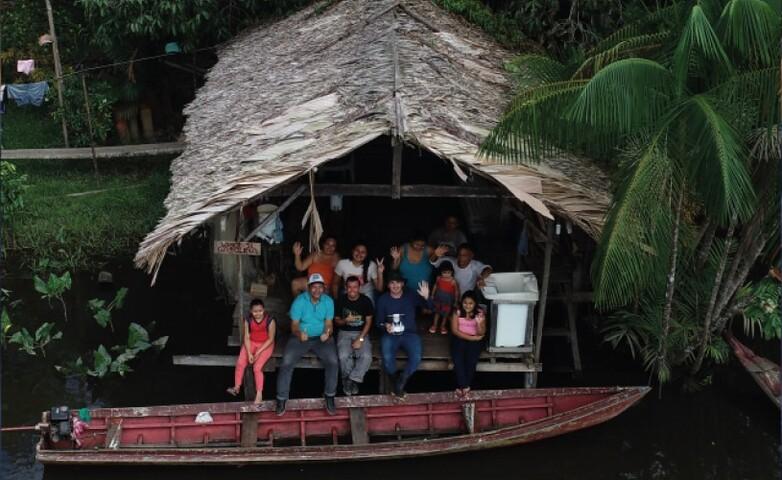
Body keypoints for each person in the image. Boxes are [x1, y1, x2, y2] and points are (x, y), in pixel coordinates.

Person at [276, 273, 338, 416]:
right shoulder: (299, 301)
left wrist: (327, 333)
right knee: (286, 362)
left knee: (333, 362)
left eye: (320, 287)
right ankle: (281, 398)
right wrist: (299, 334)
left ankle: (329, 395)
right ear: (309, 288)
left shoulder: (328, 301)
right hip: (301, 338)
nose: (317, 290)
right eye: (314, 287)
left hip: (321, 338)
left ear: (324, 288)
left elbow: (329, 323)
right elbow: (294, 325)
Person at [375, 272, 431, 397]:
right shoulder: (383, 299)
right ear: (388, 285)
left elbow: (430, 308)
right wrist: (385, 326)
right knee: (387, 358)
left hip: (409, 334)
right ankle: (396, 382)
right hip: (390, 334)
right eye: (392, 283)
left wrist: (427, 298)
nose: (395, 285)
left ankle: (402, 380)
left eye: (398, 282)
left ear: (403, 284)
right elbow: (378, 323)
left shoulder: (410, 295)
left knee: (416, 358)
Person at [226, 298, 276, 404]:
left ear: (264, 309)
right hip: (251, 343)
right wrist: (249, 353)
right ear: (251, 311)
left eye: (260, 311)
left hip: (266, 345)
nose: (258, 313)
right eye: (255, 311)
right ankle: (237, 387)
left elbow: (271, 339)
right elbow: (247, 337)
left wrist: (257, 352)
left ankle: (259, 394)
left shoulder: (270, 320)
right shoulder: (248, 320)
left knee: (257, 368)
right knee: (240, 363)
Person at [334, 276, 374, 395]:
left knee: (367, 356)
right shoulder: (340, 300)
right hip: (344, 332)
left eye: (355, 287)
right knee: (343, 356)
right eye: (349, 287)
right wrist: (345, 320)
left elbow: (368, 322)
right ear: (346, 288)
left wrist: (360, 339)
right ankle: (347, 380)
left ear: (359, 288)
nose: (352, 290)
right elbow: (336, 321)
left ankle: (352, 380)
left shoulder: (366, 301)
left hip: (361, 332)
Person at [450, 291, 486, 396]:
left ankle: (463, 387)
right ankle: (465, 387)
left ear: (475, 304)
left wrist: (479, 324)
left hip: (475, 339)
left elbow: (481, 333)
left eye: (471, 303)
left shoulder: (480, 313)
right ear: (462, 302)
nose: (467, 305)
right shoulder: (457, 312)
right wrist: (471, 339)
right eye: (465, 302)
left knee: (471, 361)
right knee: (458, 360)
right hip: (460, 337)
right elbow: (455, 331)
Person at [429, 261, 459, 335]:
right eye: (444, 272)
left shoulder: (453, 281)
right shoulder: (438, 278)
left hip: (448, 300)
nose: (446, 275)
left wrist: (456, 301)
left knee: (445, 314)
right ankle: (434, 325)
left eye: (449, 272)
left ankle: (443, 326)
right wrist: (432, 295)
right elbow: (435, 286)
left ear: (452, 272)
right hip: (438, 299)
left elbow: (456, 291)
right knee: (437, 312)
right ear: (440, 272)